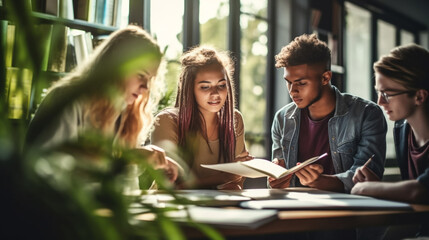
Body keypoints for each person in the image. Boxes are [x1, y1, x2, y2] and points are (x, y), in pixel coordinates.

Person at [25, 25, 178, 188]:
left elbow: (122, 190)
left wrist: (146, 167)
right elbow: (42, 171)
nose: (146, 87)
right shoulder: (67, 99)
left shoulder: (127, 114)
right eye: (141, 75)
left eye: (150, 79)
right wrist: (126, 160)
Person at [269, 33, 387, 193]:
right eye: (288, 82)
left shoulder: (367, 114)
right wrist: (277, 181)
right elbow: (278, 179)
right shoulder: (282, 119)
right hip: (297, 208)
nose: (292, 91)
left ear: (325, 78)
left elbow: (367, 177)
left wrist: (319, 181)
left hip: (349, 211)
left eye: (301, 83)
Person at [150, 46, 253, 190]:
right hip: (171, 207)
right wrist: (223, 177)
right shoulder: (167, 121)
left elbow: (235, 181)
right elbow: (170, 185)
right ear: (189, 88)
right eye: (205, 87)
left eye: (221, 85)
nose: (215, 93)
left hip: (215, 206)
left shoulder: (234, 119)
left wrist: (242, 170)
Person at [351, 44, 429, 205]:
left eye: (387, 94)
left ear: (419, 96)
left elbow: (420, 191)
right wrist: (377, 186)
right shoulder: (402, 130)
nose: (380, 102)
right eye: (378, 92)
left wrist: (365, 189)